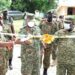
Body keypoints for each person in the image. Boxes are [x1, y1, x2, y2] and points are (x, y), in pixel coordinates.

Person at [40, 11, 57, 75]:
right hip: (41, 43)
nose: (50, 18)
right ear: (46, 17)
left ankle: (45, 70)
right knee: (39, 57)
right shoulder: (42, 23)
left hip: (49, 44)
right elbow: (38, 31)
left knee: (47, 58)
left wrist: (52, 41)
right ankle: (37, 69)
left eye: (51, 17)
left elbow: (56, 34)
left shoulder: (54, 25)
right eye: (48, 16)